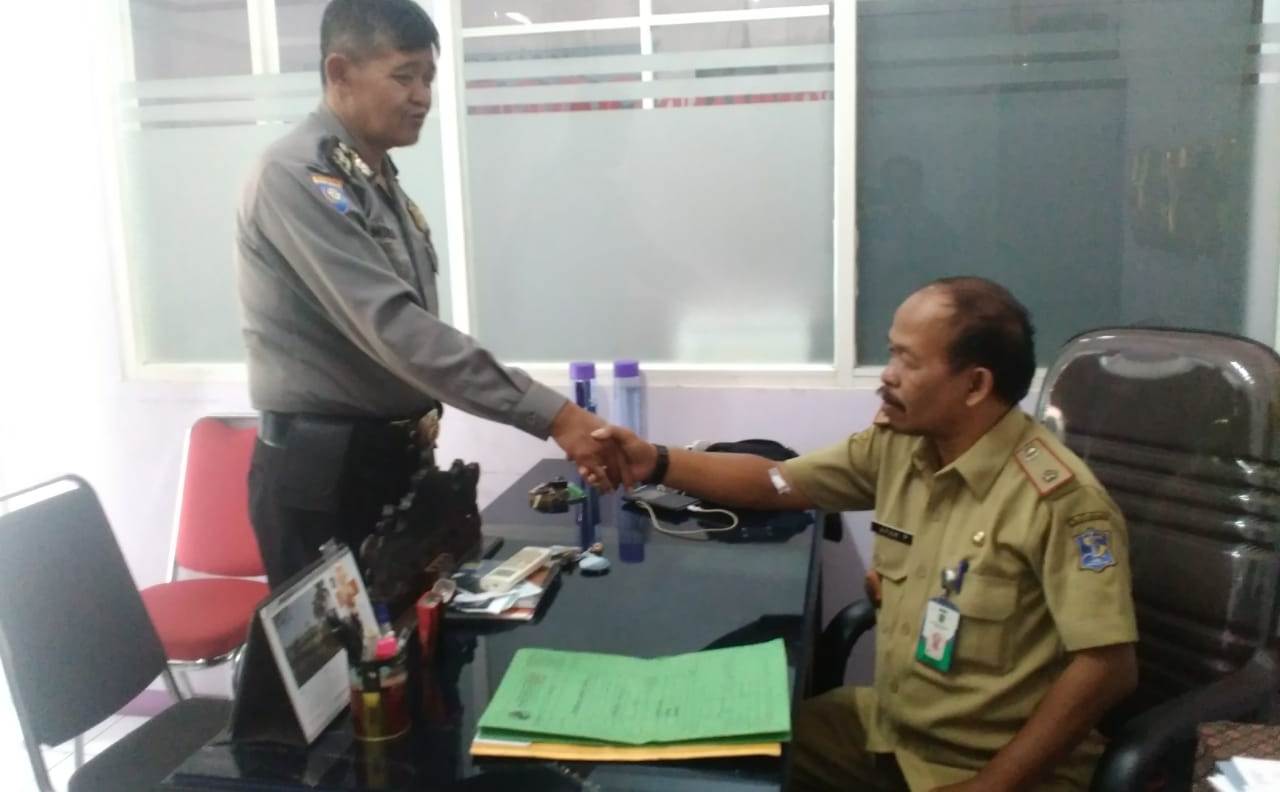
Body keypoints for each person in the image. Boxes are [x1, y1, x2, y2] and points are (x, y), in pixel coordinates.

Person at [596, 277, 1138, 791]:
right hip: (890, 732)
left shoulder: (1060, 502)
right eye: (890, 352)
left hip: (988, 763)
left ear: (975, 385)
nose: (887, 375)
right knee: (706, 748)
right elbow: (776, 482)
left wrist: (989, 785)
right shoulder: (902, 446)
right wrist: (654, 461)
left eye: (908, 360)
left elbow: (1108, 670)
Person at [236, 0, 626, 588]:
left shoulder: (373, 180)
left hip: (392, 465)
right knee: (340, 648)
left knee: (415, 637)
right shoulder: (295, 177)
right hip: (325, 480)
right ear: (340, 72)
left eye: (428, 77)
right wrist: (555, 414)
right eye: (404, 76)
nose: (422, 96)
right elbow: (397, 329)